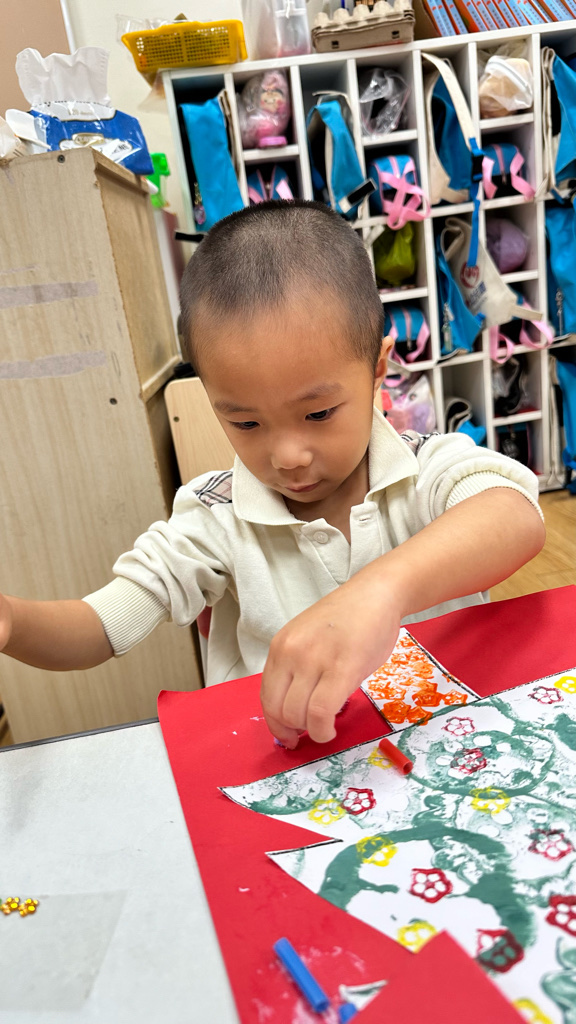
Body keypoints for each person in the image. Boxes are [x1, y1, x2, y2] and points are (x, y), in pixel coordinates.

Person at [0, 201, 545, 750]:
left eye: (318, 413)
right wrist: (13, 622)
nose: (287, 456)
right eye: (245, 422)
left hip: (448, 743)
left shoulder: (425, 467)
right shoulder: (214, 515)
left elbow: (514, 516)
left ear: (378, 368)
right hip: (291, 768)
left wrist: (379, 593)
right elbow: (98, 627)